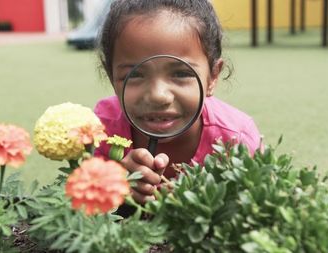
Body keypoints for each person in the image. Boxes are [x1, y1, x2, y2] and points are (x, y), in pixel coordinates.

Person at [94, 0, 262, 204]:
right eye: (135, 74)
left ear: (213, 77)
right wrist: (113, 185)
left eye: (181, 73)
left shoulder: (236, 140)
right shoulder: (99, 131)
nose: (158, 96)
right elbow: (78, 208)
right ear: (112, 78)